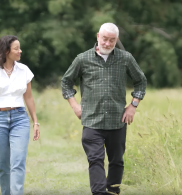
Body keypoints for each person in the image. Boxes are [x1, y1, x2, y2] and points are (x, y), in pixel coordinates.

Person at [61, 23, 147, 195]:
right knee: (95, 160)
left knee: (117, 162)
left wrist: (133, 105)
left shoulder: (125, 58)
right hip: (92, 120)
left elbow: (141, 81)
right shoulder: (83, 59)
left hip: (118, 120)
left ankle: (113, 192)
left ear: (116, 40)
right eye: (105, 39)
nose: (107, 43)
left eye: (112, 40)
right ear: (98, 36)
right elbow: (66, 82)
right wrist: (74, 105)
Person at [0, 35, 40, 195]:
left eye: (19, 48)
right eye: (16, 49)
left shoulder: (24, 70)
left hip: (20, 118)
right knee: (3, 165)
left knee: (18, 162)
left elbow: (29, 97)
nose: (20, 51)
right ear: (6, 51)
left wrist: (35, 122)